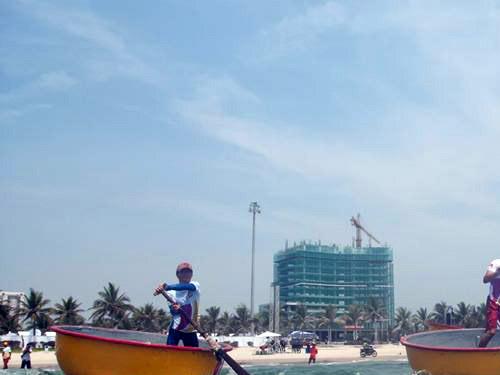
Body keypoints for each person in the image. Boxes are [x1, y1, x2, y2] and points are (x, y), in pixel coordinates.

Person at [155, 262, 200, 347]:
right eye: (183, 271)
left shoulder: (195, 285)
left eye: (189, 272)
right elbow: (173, 312)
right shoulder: (170, 293)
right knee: (169, 352)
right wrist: (175, 309)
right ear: (177, 274)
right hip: (176, 329)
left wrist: (167, 287)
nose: (186, 274)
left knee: (193, 354)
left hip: (191, 329)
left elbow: (187, 287)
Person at [478, 259, 500, 347]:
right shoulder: (496, 263)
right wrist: (497, 272)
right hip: (494, 302)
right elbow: (485, 279)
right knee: (491, 331)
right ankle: (479, 352)